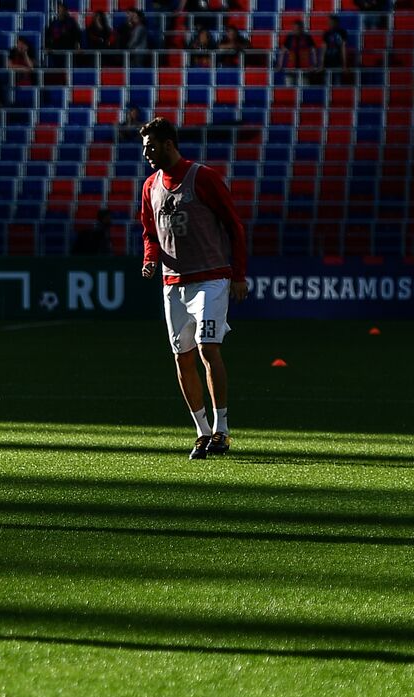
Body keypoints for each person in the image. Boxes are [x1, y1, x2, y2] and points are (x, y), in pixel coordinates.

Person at [137, 117, 248, 460]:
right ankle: (201, 431)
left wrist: (239, 275)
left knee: (207, 349)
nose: (147, 153)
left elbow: (234, 226)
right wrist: (150, 258)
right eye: (144, 148)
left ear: (169, 144)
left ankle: (223, 429)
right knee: (181, 356)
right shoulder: (150, 186)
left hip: (211, 277)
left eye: (151, 146)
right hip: (173, 282)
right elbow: (150, 232)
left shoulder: (203, 177)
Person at [277, 21, 318, 85]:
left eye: (298, 28)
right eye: (295, 28)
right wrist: (280, 64)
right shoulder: (289, 37)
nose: (297, 30)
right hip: (291, 67)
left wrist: (314, 64)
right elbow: (283, 51)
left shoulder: (307, 37)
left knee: (304, 88)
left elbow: (313, 51)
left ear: (302, 28)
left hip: (304, 67)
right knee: (289, 88)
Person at [320, 15, 353, 84]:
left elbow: (343, 48)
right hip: (328, 61)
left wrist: (344, 65)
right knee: (327, 84)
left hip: (338, 61)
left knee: (338, 83)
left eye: (332, 22)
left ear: (337, 22)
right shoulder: (326, 33)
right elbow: (324, 49)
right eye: (329, 22)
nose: (330, 23)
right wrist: (322, 64)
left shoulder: (342, 33)